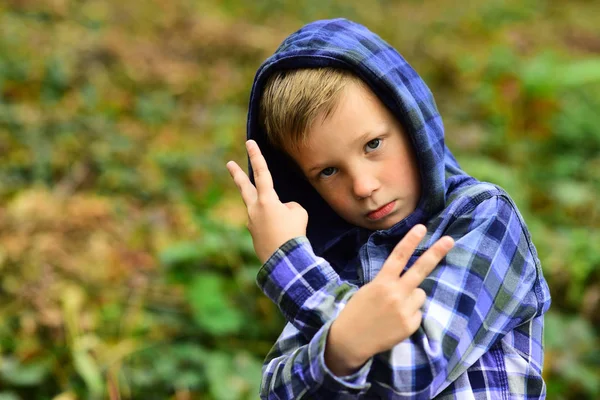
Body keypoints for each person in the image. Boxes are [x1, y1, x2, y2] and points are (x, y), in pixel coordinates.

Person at [226, 18, 551, 399]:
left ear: (411, 121)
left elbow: (416, 369)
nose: (364, 187)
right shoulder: (329, 265)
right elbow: (276, 391)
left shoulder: (481, 216)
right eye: (328, 171)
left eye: (373, 145)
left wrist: (292, 269)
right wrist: (340, 343)